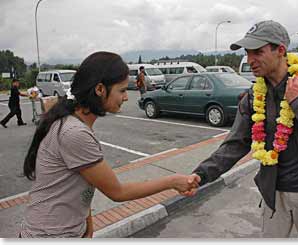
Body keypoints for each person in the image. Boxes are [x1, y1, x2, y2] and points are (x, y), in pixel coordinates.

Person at [186, 20, 298, 238]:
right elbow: (235, 144)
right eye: (248, 53)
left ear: (281, 50)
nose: (250, 61)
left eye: (257, 52)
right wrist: (201, 175)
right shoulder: (253, 96)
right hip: (273, 195)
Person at [20, 51, 200, 238]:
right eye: (121, 90)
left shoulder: (73, 122)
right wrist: (171, 182)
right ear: (100, 89)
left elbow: (83, 180)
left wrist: (87, 225)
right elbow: (117, 192)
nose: (126, 97)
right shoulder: (75, 133)